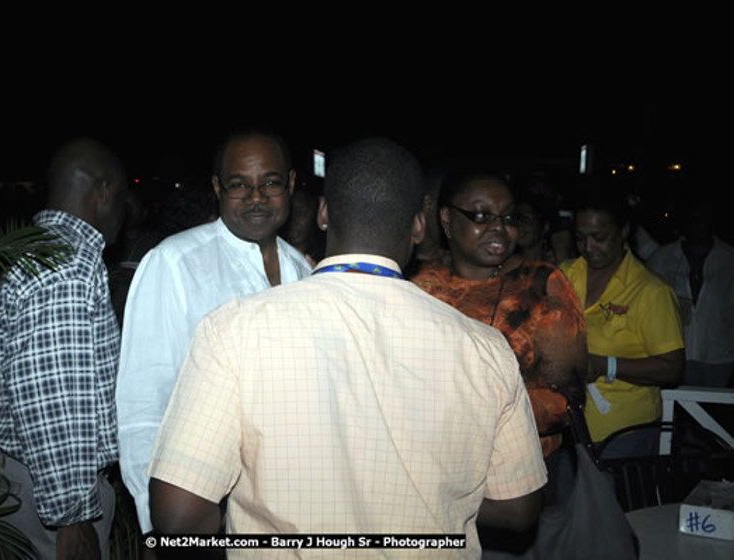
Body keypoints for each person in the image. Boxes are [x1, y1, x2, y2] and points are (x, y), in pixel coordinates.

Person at [148, 138, 547, 558]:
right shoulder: (484, 349)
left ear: (323, 213)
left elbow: (178, 516)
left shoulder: (234, 330)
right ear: (418, 225)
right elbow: (518, 508)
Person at [116, 130, 312, 536]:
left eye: (270, 183)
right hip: (205, 511)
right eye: (240, 185)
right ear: (218, 187)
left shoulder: (306, 273)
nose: (256, 197)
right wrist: (156, 523)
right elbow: (144, 403)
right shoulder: (174, 263)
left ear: (291, 184)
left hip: (292, 507)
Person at [0, 138, 127, 559]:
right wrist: (72, 516)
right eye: (122, 196)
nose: (126, 212)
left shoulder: (42, 248)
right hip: (51, 492)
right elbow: (54, 399)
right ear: (103, 191)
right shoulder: (66, 264)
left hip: (28, 478)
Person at [411, 169, 587, 459]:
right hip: (432, 462)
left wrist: (474, 409)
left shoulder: (541, 285)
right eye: (481, 216)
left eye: (508, 218)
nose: (499, 228)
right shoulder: (420, 282)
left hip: (516, 471)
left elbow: (568, 402)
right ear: (446, 219)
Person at [560, 187, 685, 458]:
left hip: (623, 432)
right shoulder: (568, 273)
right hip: (569, 427)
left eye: (599, 237)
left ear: (624, 231)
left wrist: (606, 365)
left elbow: (672, 368)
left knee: (617, 500)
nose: (588, 248)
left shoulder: (650, 292)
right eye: (581, 238)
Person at [647, 200, 734, 388]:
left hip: (720, 356)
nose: (698, 224)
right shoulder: (662, 257)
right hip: (673, 353)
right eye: (692, 219)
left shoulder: (729, 259)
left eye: (702, 219)